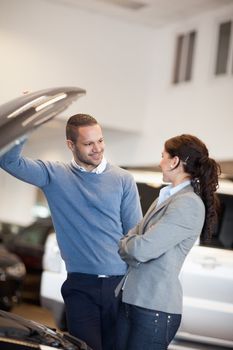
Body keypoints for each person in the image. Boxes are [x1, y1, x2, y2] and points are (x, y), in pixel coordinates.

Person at [0, 114, 143, 350]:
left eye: (100, 141)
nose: (97, 149)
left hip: (119, 286)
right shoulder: (53, 175)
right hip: (80, 286)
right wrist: (28, 123)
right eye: (88, 144)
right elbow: (9, 161)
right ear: (70, 145)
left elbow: (134, 235)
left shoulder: (123, 179)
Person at [115, 134, 221, 350]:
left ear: (175, 161)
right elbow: (133, 235)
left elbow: (142, 248)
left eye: (162, 156)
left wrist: (129, 244)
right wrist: (131, 242)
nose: (159, 162)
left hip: (153, 308)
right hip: (132, 299)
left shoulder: (188, 204)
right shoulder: (166, 196)